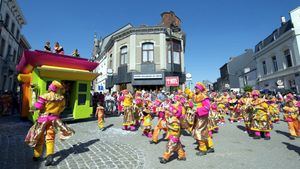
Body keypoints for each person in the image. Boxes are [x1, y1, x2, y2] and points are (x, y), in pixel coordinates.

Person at [25, 80, 74, 166]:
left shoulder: (45, 96)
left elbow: (38, 106)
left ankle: (36, 155)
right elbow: (62, 108)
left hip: (43, 119)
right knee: (50, 137)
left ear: (50, 87)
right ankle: (49, 156)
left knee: (39, 137)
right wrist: (56, 112)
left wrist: (32, 108)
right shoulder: (61, 98)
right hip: (54, 120)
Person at [185, 82, 214, 156]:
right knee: (204, 132)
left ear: (200, 89)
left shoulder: (204, 96)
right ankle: (210, 146)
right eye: (195, 87)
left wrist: (197, 109)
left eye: (196, 88)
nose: (195, 89)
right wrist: (190, 105)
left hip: (202, 117)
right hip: (197, 116)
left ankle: (203, 149)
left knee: (198, 131)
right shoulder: (195, 95)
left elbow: (207, 107)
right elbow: (192, 102)